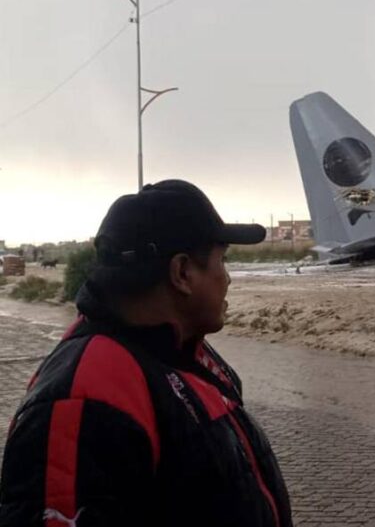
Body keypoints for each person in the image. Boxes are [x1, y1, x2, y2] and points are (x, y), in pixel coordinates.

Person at [0, 180, 292, 527]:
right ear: (182, 273)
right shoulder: (85, 396)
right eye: (222, 260)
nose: (227, 279)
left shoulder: (183, 352)